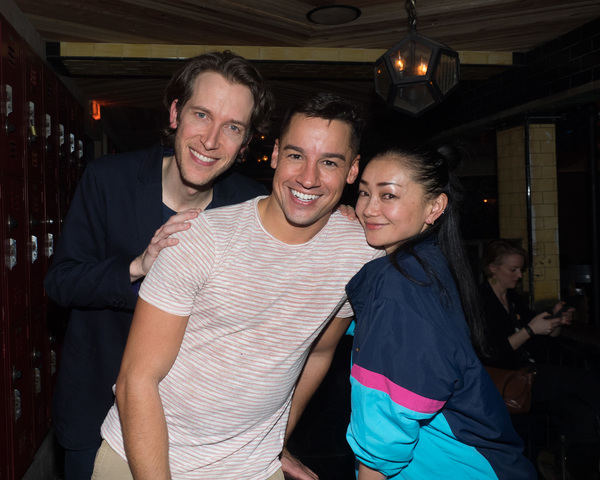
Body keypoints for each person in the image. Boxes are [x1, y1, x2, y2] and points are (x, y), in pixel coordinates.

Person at [93, 93, 383, 480]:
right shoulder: (199, 238)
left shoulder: (357, 252)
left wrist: (275, 442)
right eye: (296, 155)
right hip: (140, 461)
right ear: (276, 154)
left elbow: (319, 352)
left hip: (253, 470)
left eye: (329, 162)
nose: (308, 178)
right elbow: (135, 379)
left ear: (352, 171)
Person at [44, 50, 274, 480]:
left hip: (196, 428)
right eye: (201, 114)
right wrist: (137, 266)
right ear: (175, 113)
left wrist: (352, 219)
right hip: (96, 409)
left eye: (232, 128)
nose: (210, 140)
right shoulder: (107, 180)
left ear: (245, 143)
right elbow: (61, 282)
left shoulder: (251, 206)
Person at [344, 145, 537, 479]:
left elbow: (384, 438)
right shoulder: (429, 260)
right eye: (363, 192)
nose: (367, 209)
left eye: (388, 195)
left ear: (435, 207)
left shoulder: (401, 282)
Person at [480, 239, 600, 477]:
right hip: (505, 380)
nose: (518, 275)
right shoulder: (479, 301)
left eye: (520, 270)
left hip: (528, 376)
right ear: (493, 268)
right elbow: (491, 353)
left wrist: (555, 323)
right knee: (586, 379)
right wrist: (531, 330)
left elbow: (541, 336)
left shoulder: (513, 298)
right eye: (513, 269)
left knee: (582, 415)